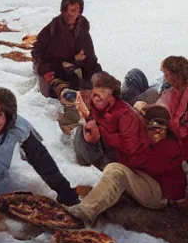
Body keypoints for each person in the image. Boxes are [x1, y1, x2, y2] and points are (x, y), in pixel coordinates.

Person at [66, 73, 185, 225]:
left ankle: (82, 214)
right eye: (150, 123)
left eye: (159, 127)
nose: (154, 129)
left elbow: (138, 159)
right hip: (139, 174)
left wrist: (106, 135)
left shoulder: (168, 146)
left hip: (157, 191)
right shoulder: (138, 128)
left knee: (116, 171)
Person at [32, 0, 102, 99]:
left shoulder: (82, 27)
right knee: (64, 87)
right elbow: (37, 51)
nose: (74, 14)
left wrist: (80, 60)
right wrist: (45, 70)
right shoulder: (53, 28)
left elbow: (89, 55)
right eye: (72, 11)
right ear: (64, 11)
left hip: (75, 66)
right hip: (55, 66)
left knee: (97, 75)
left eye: (78, 10)